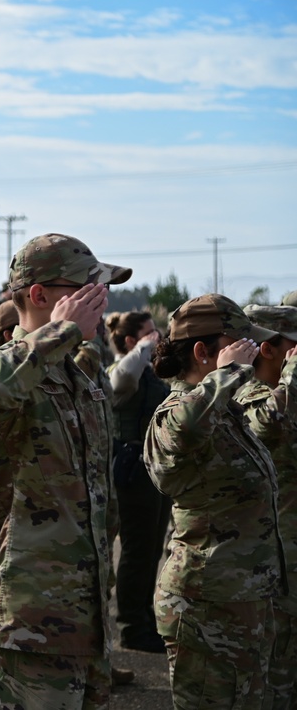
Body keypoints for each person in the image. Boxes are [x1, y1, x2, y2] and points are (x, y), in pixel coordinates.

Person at [0, 233, 130, 708]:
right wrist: (61, 332)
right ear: (39, 296)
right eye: (86, 287)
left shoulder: (78, 376)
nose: (101, 297)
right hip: (27, 622)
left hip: (85, 617)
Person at [145, 294, 286, 707]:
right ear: (203, 352)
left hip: (241, 599)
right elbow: (183, 430)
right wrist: (226, 376)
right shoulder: (175, 413)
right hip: (206, 605)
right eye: (238, 344)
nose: (251, 353)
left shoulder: (224, 414)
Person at [235, 304, 297, 707]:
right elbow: (268, 424)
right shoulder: (244, 394)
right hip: (269, 567)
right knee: (276, 677)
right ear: (270, 350)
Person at [102, 311, 171, 654]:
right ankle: (131, 625)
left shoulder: (148, 371)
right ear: (131, 341)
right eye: (148, 333)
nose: (156, 337)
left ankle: (145, 619)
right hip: (133, 469)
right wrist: (143, 348)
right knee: (137, 549)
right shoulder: (124, 370)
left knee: (152, 549)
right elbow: (119, 379)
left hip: (154, 470)